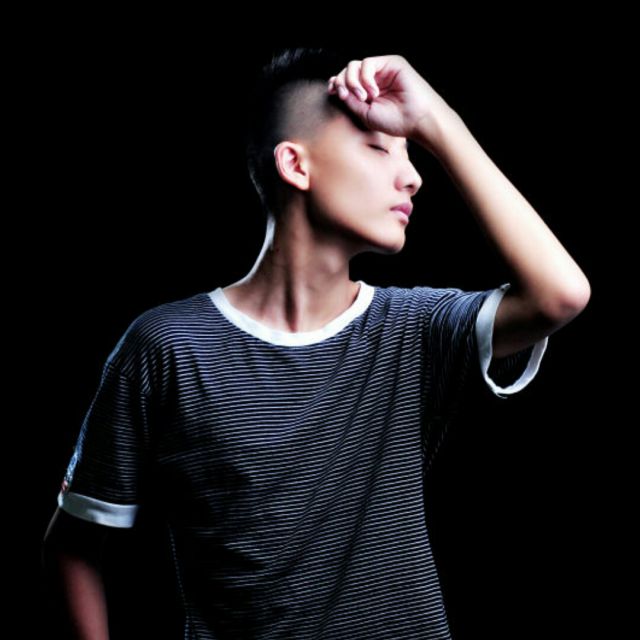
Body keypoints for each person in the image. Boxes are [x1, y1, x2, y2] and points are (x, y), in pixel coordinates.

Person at [42, 46, 591, 639]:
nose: (412, 176)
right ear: (295, 166)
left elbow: (560, 294)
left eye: (411, 152)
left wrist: (436, 118)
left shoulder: (413, 329)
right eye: (378, 148)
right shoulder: (166, 348)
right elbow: (74, 545)